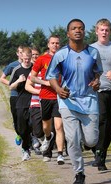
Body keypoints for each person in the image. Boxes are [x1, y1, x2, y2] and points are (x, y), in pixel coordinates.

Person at [46, 19, 103, 184]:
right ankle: (79, 172)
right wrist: (58, 89)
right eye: (74, 28)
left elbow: (98, 73)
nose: (78, 30)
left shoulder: (93, 52)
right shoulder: (61, 54)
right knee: (72, 139)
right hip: (68, 101)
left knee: (91, 140)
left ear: (85, 32)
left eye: (81, 28)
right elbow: (50, 77)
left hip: (89, 100)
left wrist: (97, 81)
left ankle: (87, 145)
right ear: (68, 33)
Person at [90, 18, 111, 171]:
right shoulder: (90, 48)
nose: (104, 32)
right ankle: (97, 151)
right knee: (100, 120)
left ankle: (101, 155)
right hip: (96, 91)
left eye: (107, 30)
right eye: (101, 29)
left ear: (110, 31)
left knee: (109, 124)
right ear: (96, 31)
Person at [30, 35, 65, 164]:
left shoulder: (63, 58)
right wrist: (45, 83)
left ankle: (60, 154)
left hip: (59, 96)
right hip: (45, 96)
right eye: (52, 43)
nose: (55, 45)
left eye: (57, 43)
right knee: (46, 127)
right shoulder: (41, 59)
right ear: (48, 45)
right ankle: (48, 138)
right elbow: (33, 78)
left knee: (59, 126)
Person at [9, 47, 33, 161]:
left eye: (29, 59)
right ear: (21, 57)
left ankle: (28, 146)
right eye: (25, 59)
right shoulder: (17, 69)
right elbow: (10, 86)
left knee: (33, 124)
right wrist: (18, 80)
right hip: (21, 101)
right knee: (22, 129)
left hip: (33, 99)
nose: (27, 61)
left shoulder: (34, 68)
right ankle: (26, 148)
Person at [0, 46, 23, 145]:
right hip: (15, 95)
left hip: (26, 95)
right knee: (16, 117)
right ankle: (19, 133)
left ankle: (29, 137)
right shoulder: (12, 65)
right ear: (17, 54)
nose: (22, 54)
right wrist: (12, 83)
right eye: (20, 52)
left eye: (24, 52)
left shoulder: (30, 65)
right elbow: (2, 78)